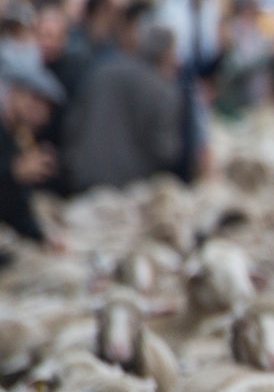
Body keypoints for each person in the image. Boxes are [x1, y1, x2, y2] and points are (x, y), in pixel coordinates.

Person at [62, 22, 184, 192]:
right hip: (129, 191)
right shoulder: (162, 89)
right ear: (167, 53)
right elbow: (164, 150)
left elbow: (73, 122)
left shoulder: (102, 69)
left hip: (83, 179)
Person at [0, 50, 63, 254]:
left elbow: (15, 207)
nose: (39, 112)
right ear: (14, 93)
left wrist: (41, 235)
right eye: (34, 100)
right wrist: (12, 173)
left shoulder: (16, 139)